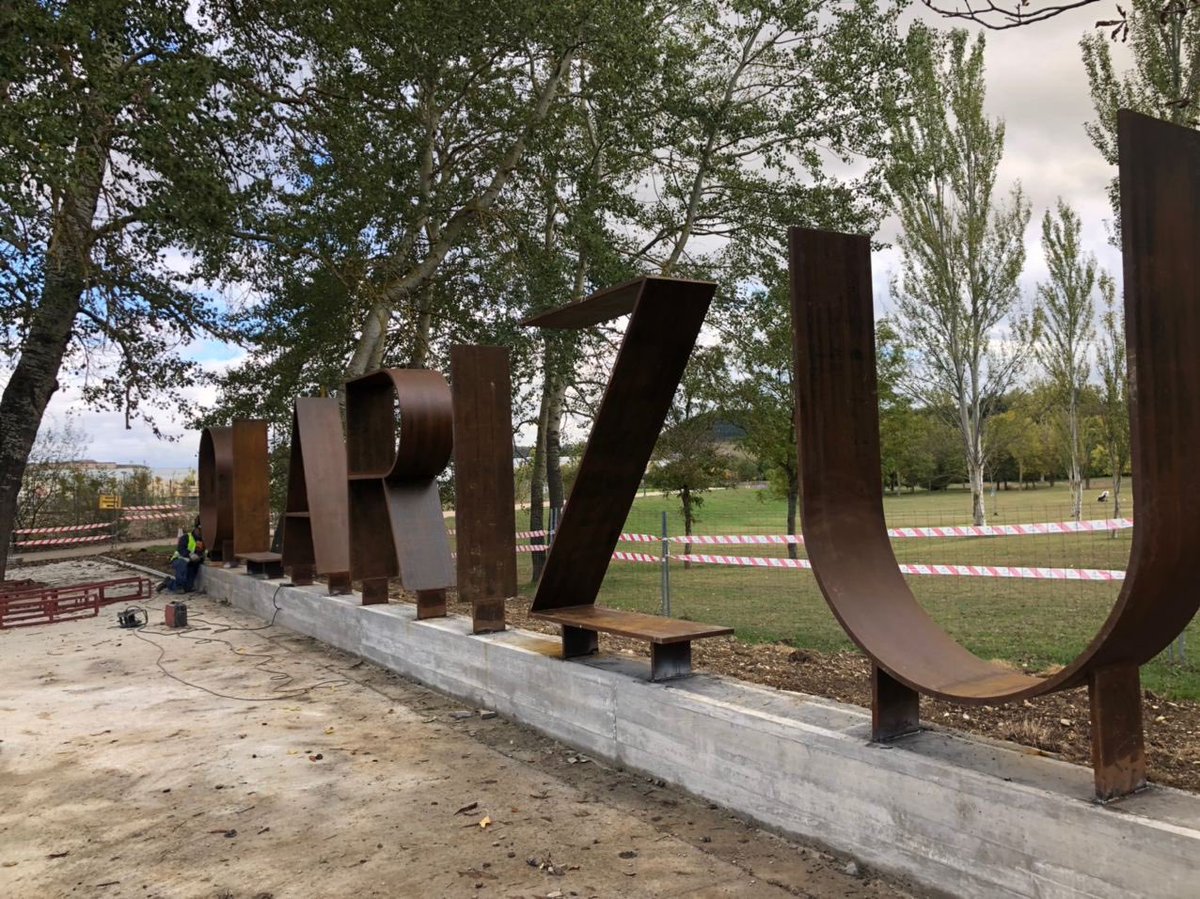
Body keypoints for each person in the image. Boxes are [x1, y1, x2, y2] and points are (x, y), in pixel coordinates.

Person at [157, 525, 202, 593]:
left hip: (191, 563)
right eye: (199, 530)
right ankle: (179, 586)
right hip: (179, 559)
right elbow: (181, 549)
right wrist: (190, 554)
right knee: (182, 564)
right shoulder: (186, 537)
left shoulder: (203, 540)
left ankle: (168, 582)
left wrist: (200, 558)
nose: (201, 532)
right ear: (196, 529)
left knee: (188, 587)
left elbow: (203, 553)